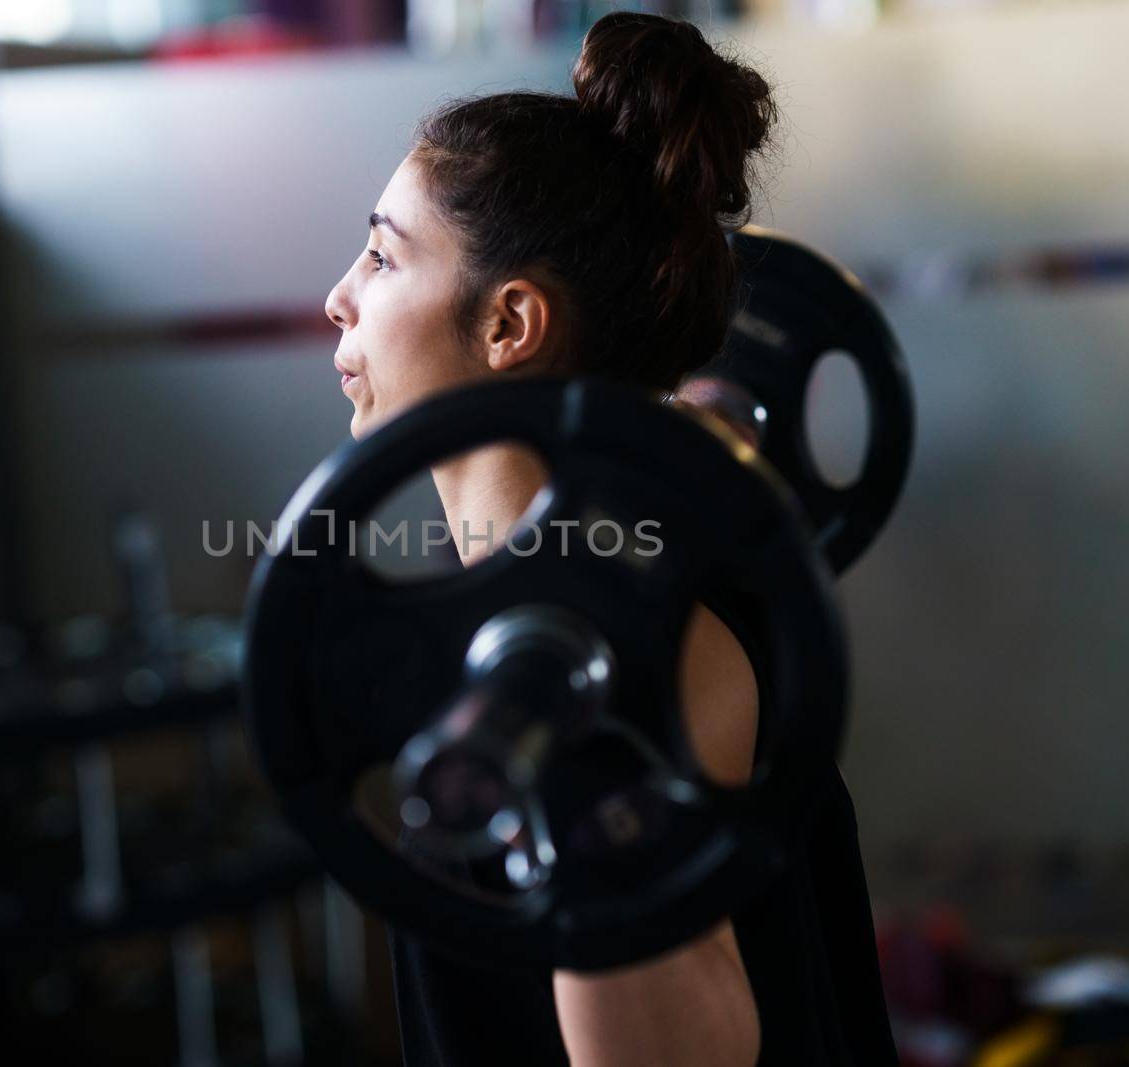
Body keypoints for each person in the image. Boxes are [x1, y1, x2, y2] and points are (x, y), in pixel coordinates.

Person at [322, 12, 896, 1065]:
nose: (338, 300)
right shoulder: (569, 595)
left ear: (508, 324)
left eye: (379, 256)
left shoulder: (622, 638)